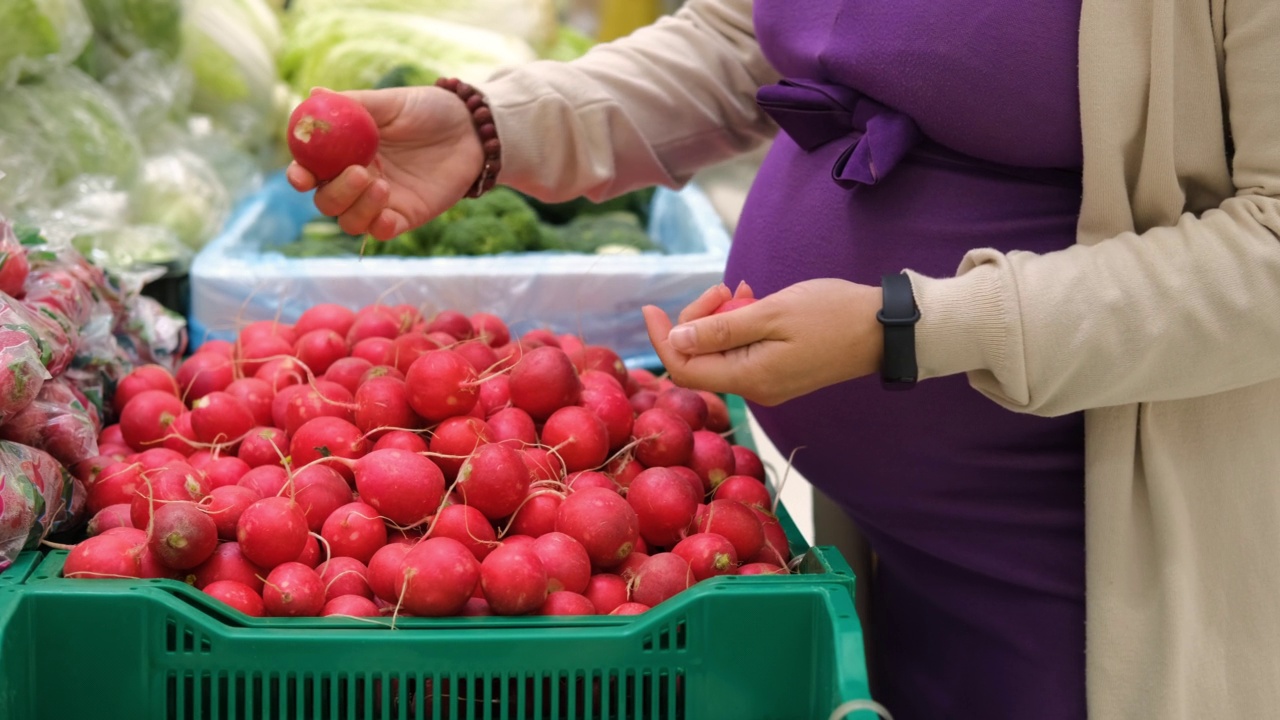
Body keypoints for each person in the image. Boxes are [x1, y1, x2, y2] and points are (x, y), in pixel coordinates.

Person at [286, 1, 1280, 718]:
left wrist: (915, 325)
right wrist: (494, 125)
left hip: (1077, 559)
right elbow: (747, 36)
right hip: (848, 543)